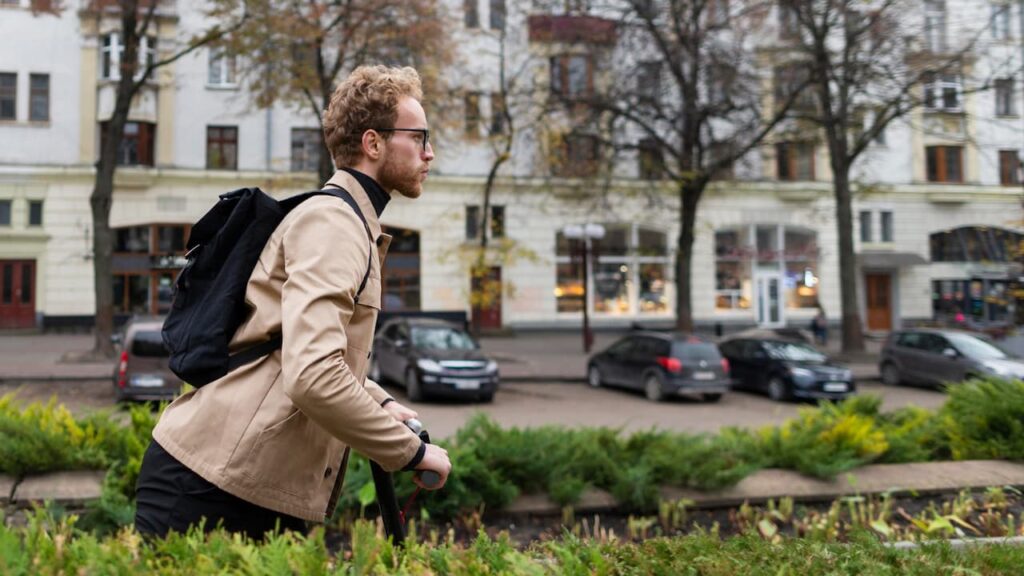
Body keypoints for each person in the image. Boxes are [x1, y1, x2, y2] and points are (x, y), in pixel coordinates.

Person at [134, 66, 450, 540]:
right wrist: (408, 452)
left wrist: (379, 400)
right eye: (419, 136)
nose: (430, 152)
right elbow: (312, 376)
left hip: (238, 481)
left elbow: (295, 353)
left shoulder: (347, 223)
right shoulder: (335, 224)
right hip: (213, 485)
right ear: (373, 143)